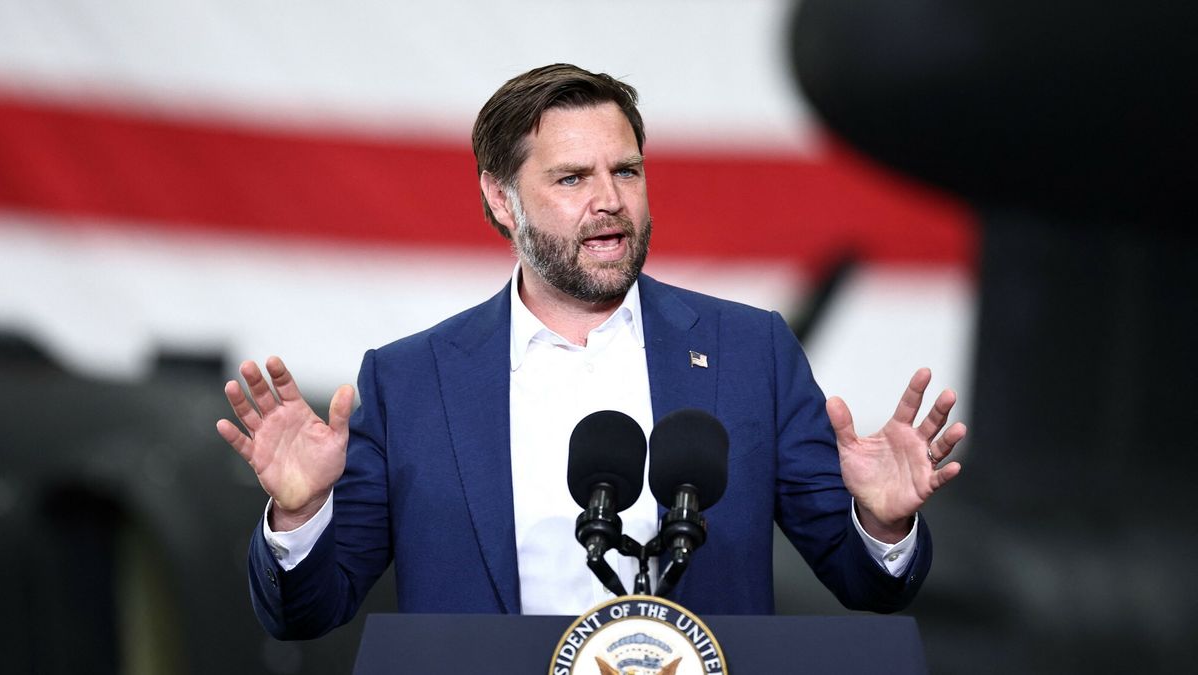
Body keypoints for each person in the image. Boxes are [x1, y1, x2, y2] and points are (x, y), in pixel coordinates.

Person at [216, 64, 964, 639]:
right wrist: (301, 512)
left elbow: (868, 583)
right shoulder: (411, 380)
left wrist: (883, 525)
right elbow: (306, 613)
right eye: (572, 177)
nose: (609, 199)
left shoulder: (749, 352)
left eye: (626, 171)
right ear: (502, 199)